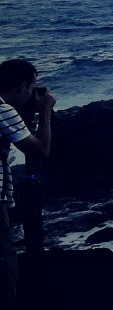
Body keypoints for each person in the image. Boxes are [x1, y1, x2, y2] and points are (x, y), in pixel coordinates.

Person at [0, 59, 54, 303]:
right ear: (22, 86)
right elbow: (40, 151)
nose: (34, 92)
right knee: (5, 260)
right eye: (33, 87)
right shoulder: (2, 110)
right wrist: (44, 112)